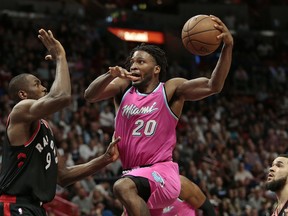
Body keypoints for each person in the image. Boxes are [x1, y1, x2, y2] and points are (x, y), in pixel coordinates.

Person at [84, 15, 233, 215]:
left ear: (156, 69)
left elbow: (213, 85)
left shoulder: (170, 89)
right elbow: (90, 96)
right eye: (132, 62)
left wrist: (227, 47)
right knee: (125, 188)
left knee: (121, 187)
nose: (133, 65)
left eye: (141, 61)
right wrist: (109, 75)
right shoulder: (123, 87)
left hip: (161, 172)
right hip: (133, 175)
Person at [0, 29, 120, 216]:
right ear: (23, 94)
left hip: (36, 208)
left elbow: (63, 177)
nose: (44, 87)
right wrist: (60, 56)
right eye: (37, 84)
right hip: (15, 205)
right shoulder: (19, 111)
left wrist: (104, 159)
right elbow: (62, 96)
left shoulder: (45, 128)